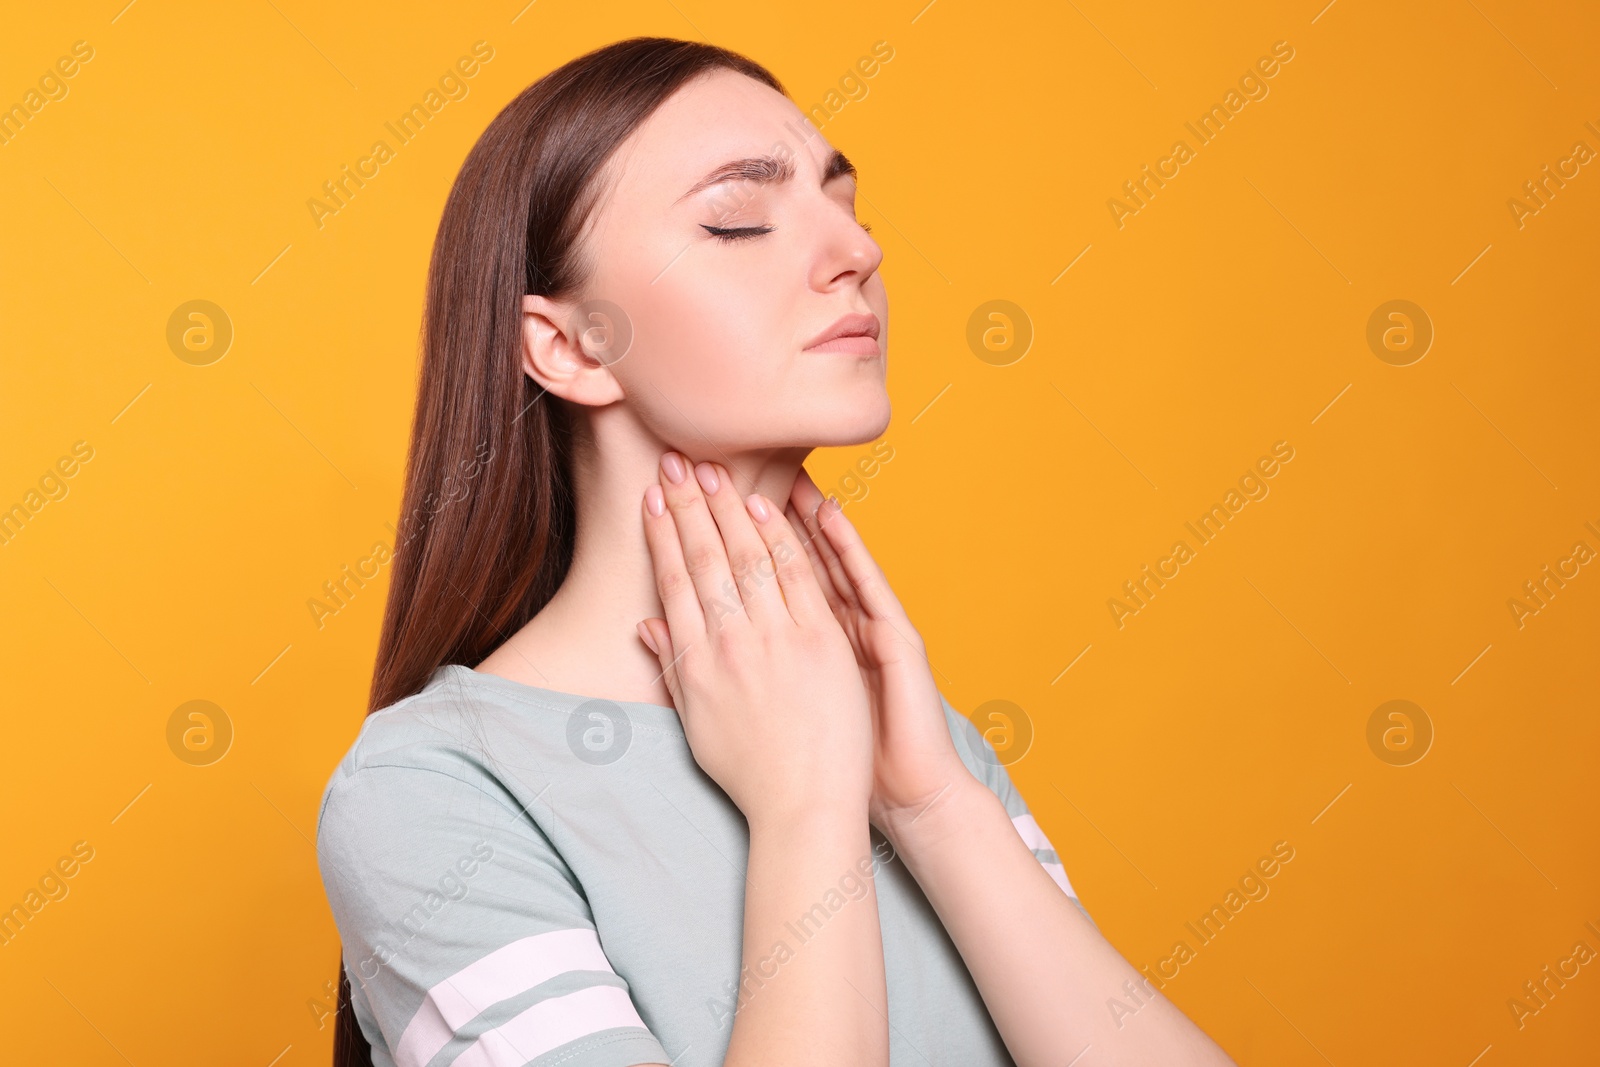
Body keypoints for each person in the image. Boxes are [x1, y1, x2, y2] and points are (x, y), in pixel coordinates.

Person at [314, 35, 1237, 1067]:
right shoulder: (431, 790)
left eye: (845, 203)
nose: (855, 251)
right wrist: (804, 808)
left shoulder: (919, 742)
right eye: (737, 219)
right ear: (569, 346)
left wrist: (933, 807)